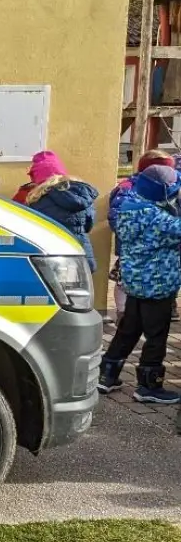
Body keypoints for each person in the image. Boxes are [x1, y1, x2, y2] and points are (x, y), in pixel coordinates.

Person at [98, 165, 181, 403]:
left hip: (134, 283)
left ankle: (107, 376)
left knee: (128, 331)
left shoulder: (129, 208)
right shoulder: (157, 219)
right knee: (156, 336)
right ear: (162, 192)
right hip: (158, 286)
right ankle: (148, 386)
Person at [110, 150, 175, 323]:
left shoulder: (172, 186)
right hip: (135, 247)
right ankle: (123, 313)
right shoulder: (128, 188)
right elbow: (117, 216)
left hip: (161, 249)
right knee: (124, 281)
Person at [12, 150, 99, 271]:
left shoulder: (38, 200)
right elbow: (89, 226)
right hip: (80, 254)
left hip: (52, 258)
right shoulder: (82, 194)